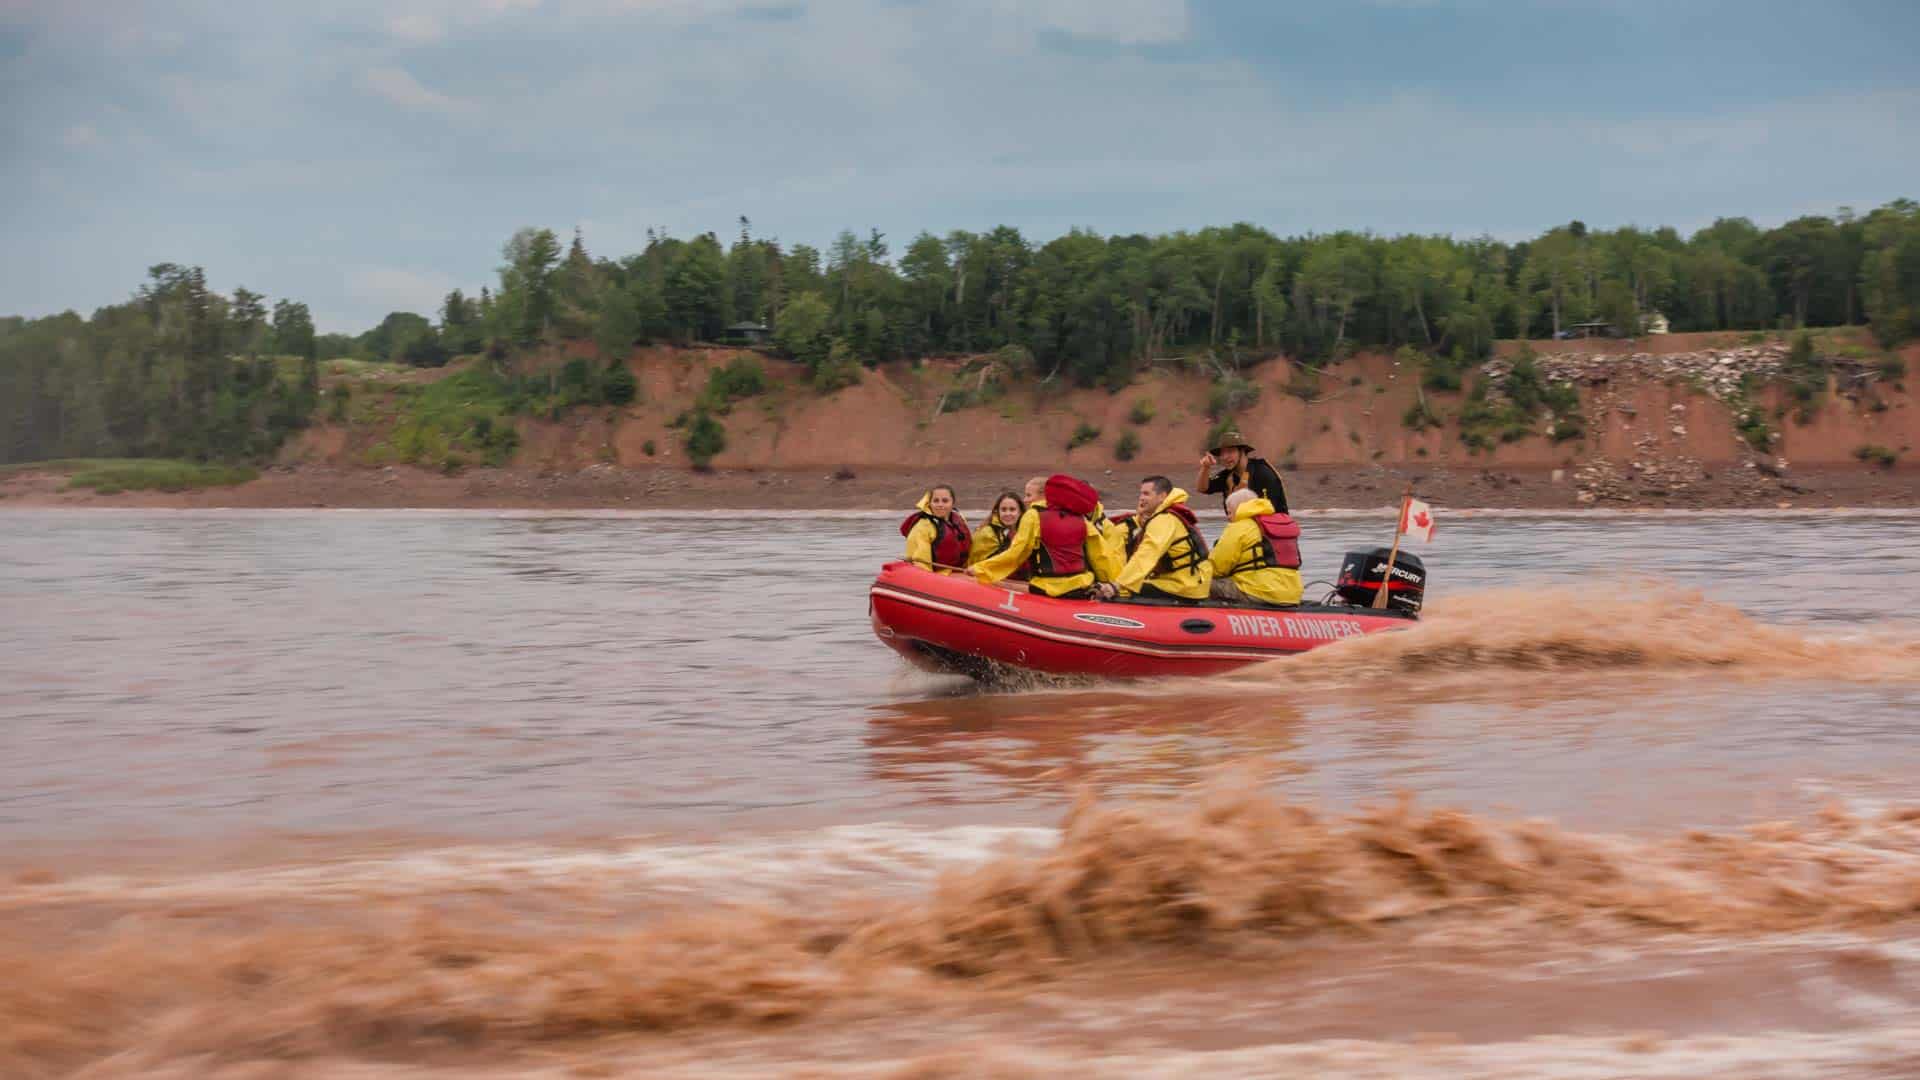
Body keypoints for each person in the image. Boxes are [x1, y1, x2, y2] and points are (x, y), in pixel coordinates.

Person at [973, 473, 1119, 598]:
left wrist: (981, 569)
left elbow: (1016, 554)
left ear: (1044, 495)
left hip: (1049, 588)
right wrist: (1116, 585)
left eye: (1029, 495)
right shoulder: (1082, 519)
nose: (1025, 500)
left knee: (998, 584)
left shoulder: (1033, 516)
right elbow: (1102, 556)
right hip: (1081, 587)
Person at [1098, 476, 1212, 601]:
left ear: (1162, 496)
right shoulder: (1168, 516)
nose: (1141, 498)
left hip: (1183, 586)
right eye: (1141, 494)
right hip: (1189, 582)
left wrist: (1116, 585)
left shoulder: (1164, 520)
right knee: (1135, 584)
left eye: (1146, 494)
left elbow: (1146, 554)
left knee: (1126, 590)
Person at [1208, 487, 1304, 606]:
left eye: (1229, 512)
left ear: (1239, 508)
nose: (1228, 517)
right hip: (1292, 595)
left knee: (1200, 583)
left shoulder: (1239, 527)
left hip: (1257, 592)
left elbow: (1216, 569)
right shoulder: (1275, 525)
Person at [1196, 429, 1289, 514]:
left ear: (1242, 451)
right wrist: (1206, 467)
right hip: (1245, 527)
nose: (1225, 457)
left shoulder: (1262, 473)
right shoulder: (1228, 476)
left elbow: (1270, 510)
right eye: (1222, 453)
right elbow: (1202, 488)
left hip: (1271, 527)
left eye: (1230, 451)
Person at [901, 484, 971, 572]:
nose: (940, 505)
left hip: (960, 571)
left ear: (953, 503)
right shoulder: (923, 527)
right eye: (936, 501)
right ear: (929, 503)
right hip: (936, 575)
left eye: (945, 501)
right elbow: (921, 563)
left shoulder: (959, 519)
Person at [969, 490, 1025, 569]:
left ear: (1020, 512)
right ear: (997, 512)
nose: (1007, 513)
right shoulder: (986, 534)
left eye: (1012, 509)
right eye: (1003, 509)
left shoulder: (1025, 530)